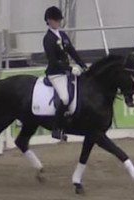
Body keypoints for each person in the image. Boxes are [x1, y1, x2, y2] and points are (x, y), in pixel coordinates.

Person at [43, 6, 87, 139]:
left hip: (66, 72)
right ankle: (56, 128)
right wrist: (69, 69)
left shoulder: (62, 35)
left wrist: (83, 66)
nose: (58, 22)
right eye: (55, 20)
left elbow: (72, 52)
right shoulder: (48, 38)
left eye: (59, 20)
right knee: (65, 98)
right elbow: (53, 60)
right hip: (55, 74)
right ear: (49, 21)